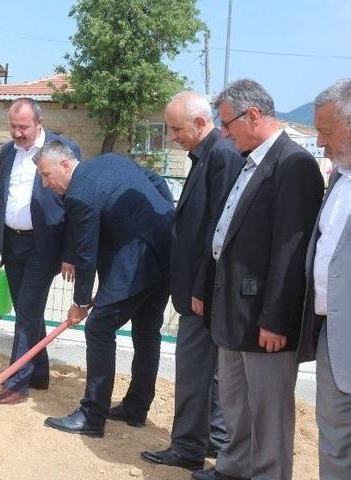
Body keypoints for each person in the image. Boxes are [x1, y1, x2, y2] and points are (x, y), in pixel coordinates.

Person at [191, 79, 323, 480]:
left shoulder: (294, 164)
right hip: (233, 310)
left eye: (227, 123)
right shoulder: (249, 161)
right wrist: (204, 286)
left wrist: (276, 319)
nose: (223, 132)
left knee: (268, 412)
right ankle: (233, 469)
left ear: (253, 115)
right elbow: (225, 232)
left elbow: (291, 251)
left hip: (265, 318)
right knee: (235, 402)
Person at [37, 143, 174, 438]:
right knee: (147, 329)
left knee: (99, 328)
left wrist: (80, 303)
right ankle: (136, 408)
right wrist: (162, 218)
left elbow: (86, 254)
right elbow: (156, 182)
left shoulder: (78, 194)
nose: (46, 184)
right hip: (167, 248)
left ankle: (92, 416)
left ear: (65, 165)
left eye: (47, 175)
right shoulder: (110, 160)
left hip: (138, 261)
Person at [141, 91, 242, 470]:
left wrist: (202, 286)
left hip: (203, 293)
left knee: (193, 372)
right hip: (199, 289)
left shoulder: (222, 157)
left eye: (176, 129)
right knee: (208, 373)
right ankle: (213, 439)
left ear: (200, 123)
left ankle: (187, 448)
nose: (172, 137)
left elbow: (219, 231)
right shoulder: (208, 155)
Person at [0, 98, 82, 405]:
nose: (17, 133)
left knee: (27, 309)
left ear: (39, 123)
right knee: (28, 311)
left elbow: (74, 205)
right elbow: (2, 198)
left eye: (23, 127)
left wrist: (70, 253)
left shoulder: (62, 149)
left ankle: (16, 383)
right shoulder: (7, 152)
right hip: (12, 243)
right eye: (12, 126)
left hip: (44, 245)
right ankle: (39, 373)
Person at [297, 78, 351, 479]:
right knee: (334, 438)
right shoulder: (338, 178)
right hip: (333, 334)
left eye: (326, 131)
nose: (319, 142)